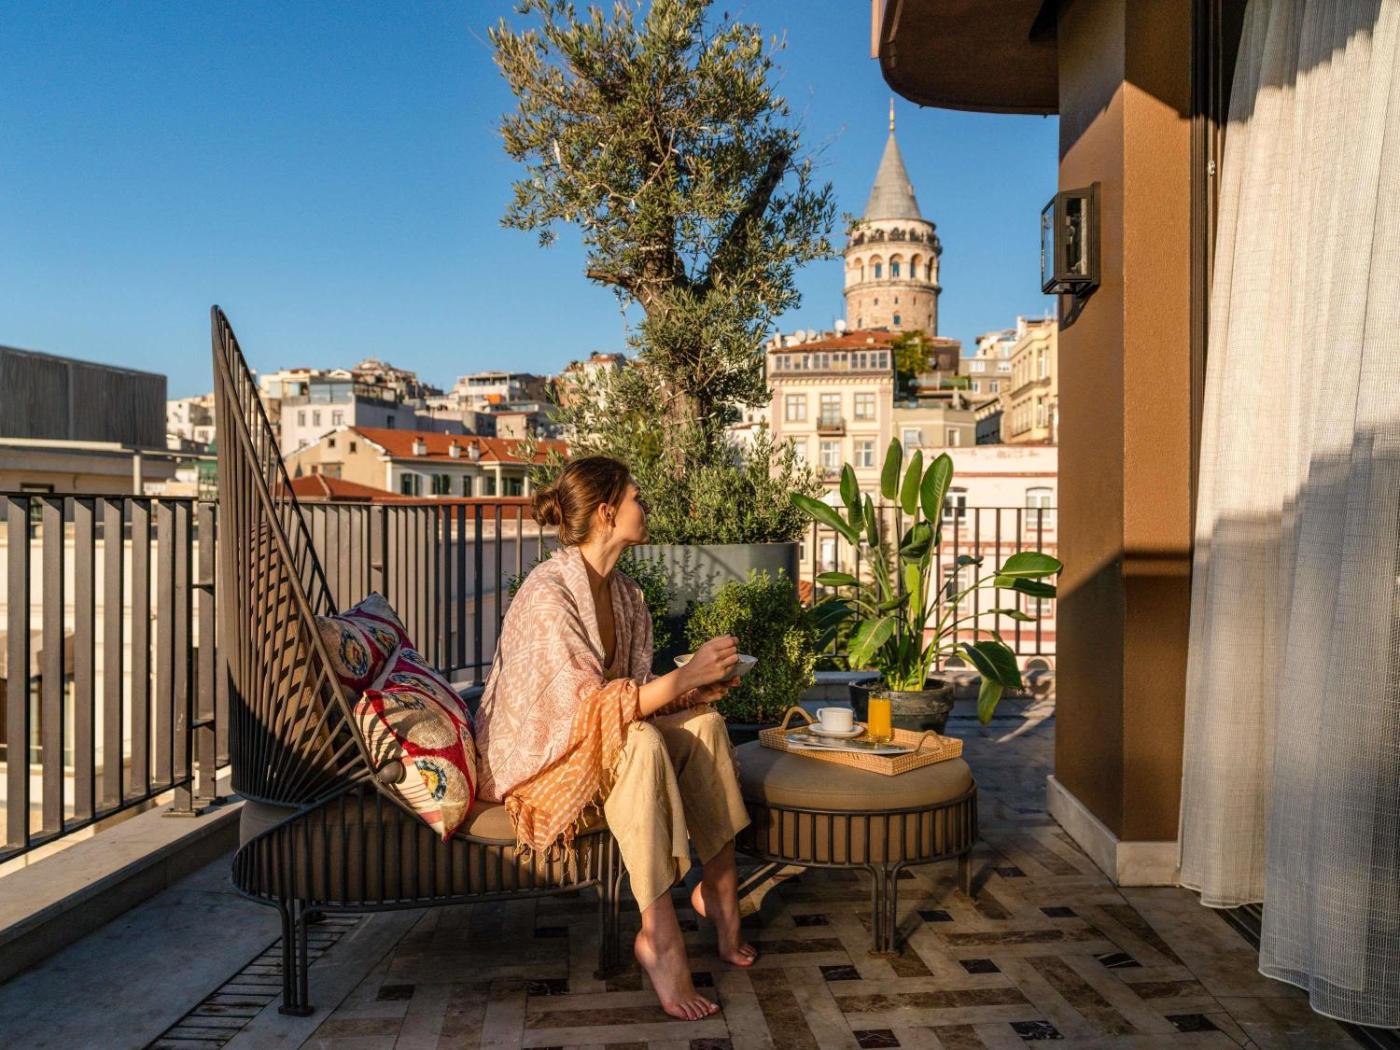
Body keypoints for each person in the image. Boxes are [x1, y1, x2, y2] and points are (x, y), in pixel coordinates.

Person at [473, 455, 756, 1021]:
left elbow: (626, 694)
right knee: (642, 743)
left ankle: (720, 891)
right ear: (607, 513)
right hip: (540, 758)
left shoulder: (624, 593)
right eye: (636, 498)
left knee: (705, 725)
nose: (644, 507)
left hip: (599, 737)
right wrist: (683, 678)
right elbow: (584, 713)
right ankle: (659, 935)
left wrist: (693, 692)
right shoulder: (548, 595)